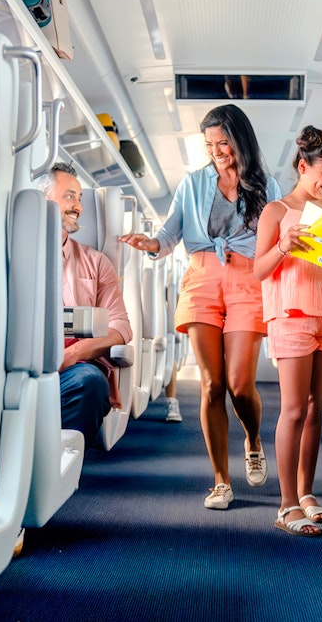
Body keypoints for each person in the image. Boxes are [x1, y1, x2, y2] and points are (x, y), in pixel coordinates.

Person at [120, 104, 281, 510]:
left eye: (223, 142)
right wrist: (152, 244)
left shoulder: (269, 186)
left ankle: (254, 439)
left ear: (240, 139)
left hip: (248, 281)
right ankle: (221, 481)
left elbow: (279, 240)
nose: (216, 151)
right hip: (202, 279)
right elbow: (169, 233)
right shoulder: (192, 184)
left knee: (240, 383)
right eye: (210, 144)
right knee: (211, 384)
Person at [254, 126, 322, 537]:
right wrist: (284, 246)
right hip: (293, 315)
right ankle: (286, 504)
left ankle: (307, 493)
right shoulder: (276, 211)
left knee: (317, 408)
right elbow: (258, 270)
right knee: (294, 408)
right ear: (302, 166)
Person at [40, 162, 133, 447]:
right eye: (70, 196)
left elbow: (120, 328)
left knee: (89, 383)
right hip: (17, 368)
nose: (78, 206)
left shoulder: (96, 262)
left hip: (73, 371)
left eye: (80, 198)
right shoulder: (9, 254)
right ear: (43, 200)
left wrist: (71, 354)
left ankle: (59, 457)